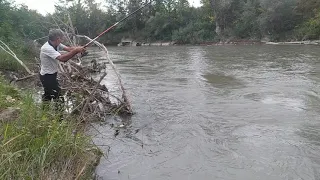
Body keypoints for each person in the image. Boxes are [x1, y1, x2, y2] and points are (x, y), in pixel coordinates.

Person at [39, 29, 85, 105]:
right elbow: (63, 59)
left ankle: (44, 112)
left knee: (48, 96)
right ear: (57, 39)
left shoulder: (56, 44)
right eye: (61, 38)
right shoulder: (46, 48)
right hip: (47, 77)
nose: (62, 40)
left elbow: (69, 49)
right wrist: (76, 51)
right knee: (58, 97)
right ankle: (59, 116)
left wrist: (79, 48)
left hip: (51, 75)